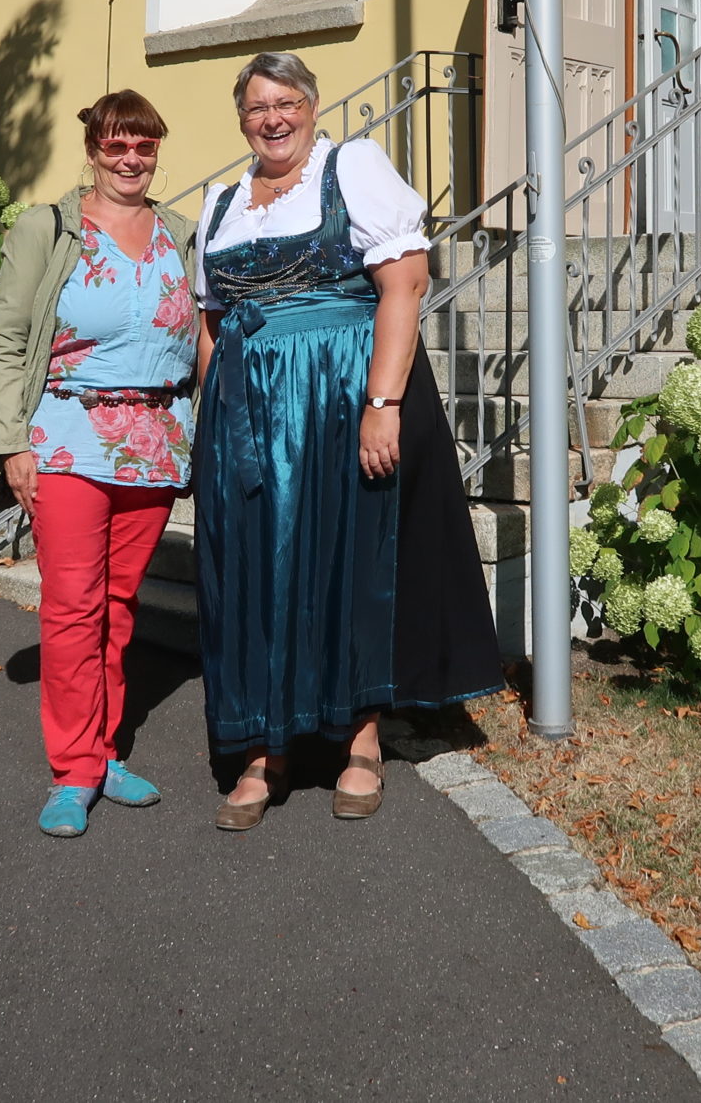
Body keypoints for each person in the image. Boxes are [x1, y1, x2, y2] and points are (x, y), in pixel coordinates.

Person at [193, 52, 502, 831]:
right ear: (242, 118)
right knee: (256, 569)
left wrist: (382, 404)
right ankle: (265, 744)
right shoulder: (222, 201)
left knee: (348, 558)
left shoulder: (352, 168)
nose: (273, 118)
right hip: (247, 414)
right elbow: (211, 323)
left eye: (286, 101)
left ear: (312, 104)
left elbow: (406, 283)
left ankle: (360, 737)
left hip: (337, 395)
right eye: (257, 106)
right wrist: (210, 421)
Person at [0, 90, 200, 838]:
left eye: (144, 145)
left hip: (154, 444)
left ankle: (103, 752)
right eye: (116, 145)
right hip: (66, 438)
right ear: (93, 150)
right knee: (73, 606)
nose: (130, 159)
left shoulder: (180, 234)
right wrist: (11, 441)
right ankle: (73, 768)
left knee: (118, 605)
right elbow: (3, 338)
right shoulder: (48, 228)